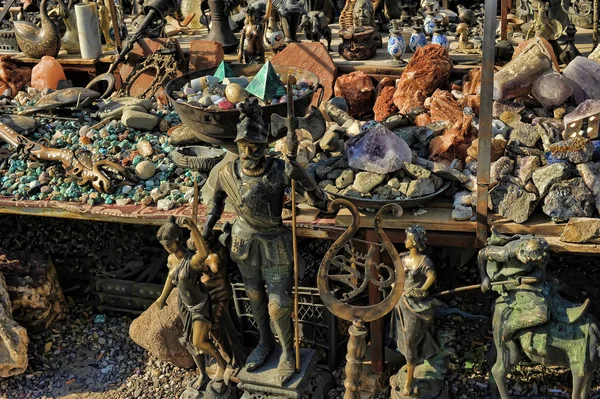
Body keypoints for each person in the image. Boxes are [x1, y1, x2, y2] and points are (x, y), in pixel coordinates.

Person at [203, 98, 329, 385]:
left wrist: (304, 179)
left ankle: (286, 351)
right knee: (254, 297)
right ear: (237, 144)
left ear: (265, 145)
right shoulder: (226, 173)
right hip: (244, 243)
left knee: (278, 304)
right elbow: (215, 206)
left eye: (256, 146)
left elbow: (320, 201)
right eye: (244, 146)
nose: (249, 152)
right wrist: (208, 229)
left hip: (275, 244)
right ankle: (264, 342)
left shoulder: (279, 170)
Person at [155, 216, 229, 389]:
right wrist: (162, 298)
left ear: (178, 240)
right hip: (184, 304)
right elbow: (170, 278)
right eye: (164, 246)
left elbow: (203, 253)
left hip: (200, 306)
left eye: (170, 244)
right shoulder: (171, 260)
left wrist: (193, 227)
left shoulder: (192, 261)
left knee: (198, 341)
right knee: (189, 342)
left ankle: (221, 364)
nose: (167, 248)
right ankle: (202, 373)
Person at [391, 226, 439, 397]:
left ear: (415, 242)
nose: (405, 241)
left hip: (415, 308)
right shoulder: (403, 258)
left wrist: (422, 289)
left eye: (407, 238)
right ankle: (410, 370)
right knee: (403, 341)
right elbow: (398, 278)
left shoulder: (425, 262)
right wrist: (396, 286)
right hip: (401, 305)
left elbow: (431, 276)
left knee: (411, 342)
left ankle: (410, 383)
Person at [478, 228, 550, 342]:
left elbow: (540, 272)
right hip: (503, 277)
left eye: (533, 261)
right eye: (528, 259)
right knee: (541, 314)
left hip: (523, 278)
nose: (530, 262)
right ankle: (510, 326)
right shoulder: (505, 252)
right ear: (521, 252)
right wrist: (484, 278)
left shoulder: (542, 250)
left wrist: (527, 278)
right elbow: (482, 254)